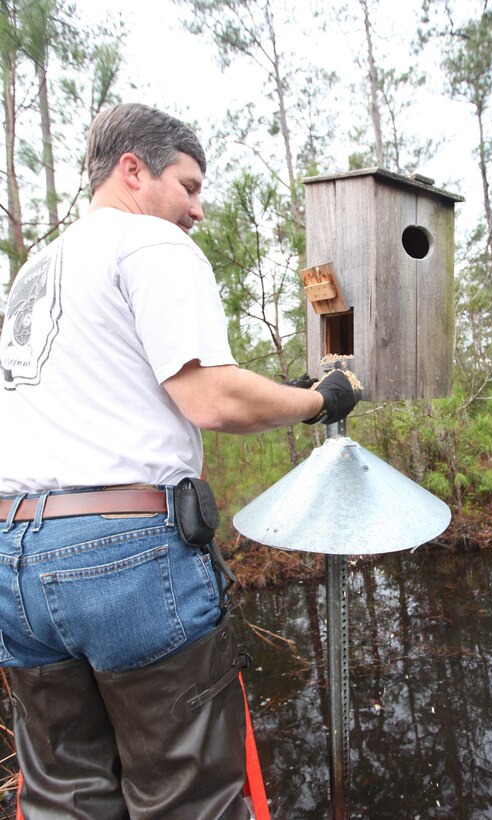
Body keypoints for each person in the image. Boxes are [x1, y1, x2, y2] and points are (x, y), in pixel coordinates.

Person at [0, 103, 358, 819]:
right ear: (133, 170)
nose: (196, 209)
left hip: (15, 557)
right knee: (185, 797)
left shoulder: (37, 272)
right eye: (189, 186)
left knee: (64, 795)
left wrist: (278, 392)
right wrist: (323, 401)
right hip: (123, 556)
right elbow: (211, 399)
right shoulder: (150, 244)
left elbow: (122, 389)